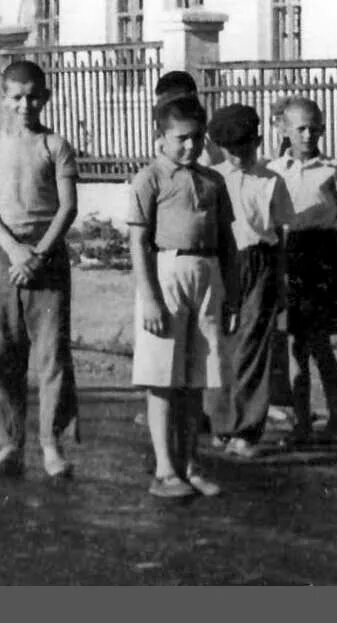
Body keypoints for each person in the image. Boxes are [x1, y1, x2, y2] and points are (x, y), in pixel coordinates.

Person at [0, 58, 81, 478]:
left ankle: (52, 444)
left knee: (51, 355)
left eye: (33, 97)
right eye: (16, 97)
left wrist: (38, 254)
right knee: (0, 352)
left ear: (45, 98)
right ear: (4, 99)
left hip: (46, 259)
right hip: (2, 255)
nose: (25, 105)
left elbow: (68, 207)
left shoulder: (56, 145)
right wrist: (14, 250)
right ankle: (9, 442)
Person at [127, 92, 236, 500]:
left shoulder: (214, 181)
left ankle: (191, 463)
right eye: (181, 138)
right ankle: (164, 467)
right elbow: (138, 243)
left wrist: (233, 294)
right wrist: (150, 298)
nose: (190, 146)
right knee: (161, 379)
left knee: (196, 380)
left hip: (207, 275)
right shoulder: (149, 178)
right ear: (161, 137)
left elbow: (227, 241)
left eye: (197, 137)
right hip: (165, 275)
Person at [269, 95, 337, 445]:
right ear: (283, 129)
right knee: (294, 343)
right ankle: (302, 422)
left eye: (315, 128)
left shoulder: (333, 171)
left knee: (321, 343)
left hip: (323, 256)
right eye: (301, 128)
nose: (309, 135)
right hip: (289, 255)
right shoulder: (274, 171)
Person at [205, 102, 293, 458]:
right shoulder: (212, 178)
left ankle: (248, 428)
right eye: (231, 151)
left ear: (257, 141)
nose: (239, 157)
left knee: (253, 345)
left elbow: (281, 231)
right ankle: (221, 422)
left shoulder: (271, 181)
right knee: (220, 343)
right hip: (221, 261)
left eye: (245, 149)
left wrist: (282, 280)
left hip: (260, 260)